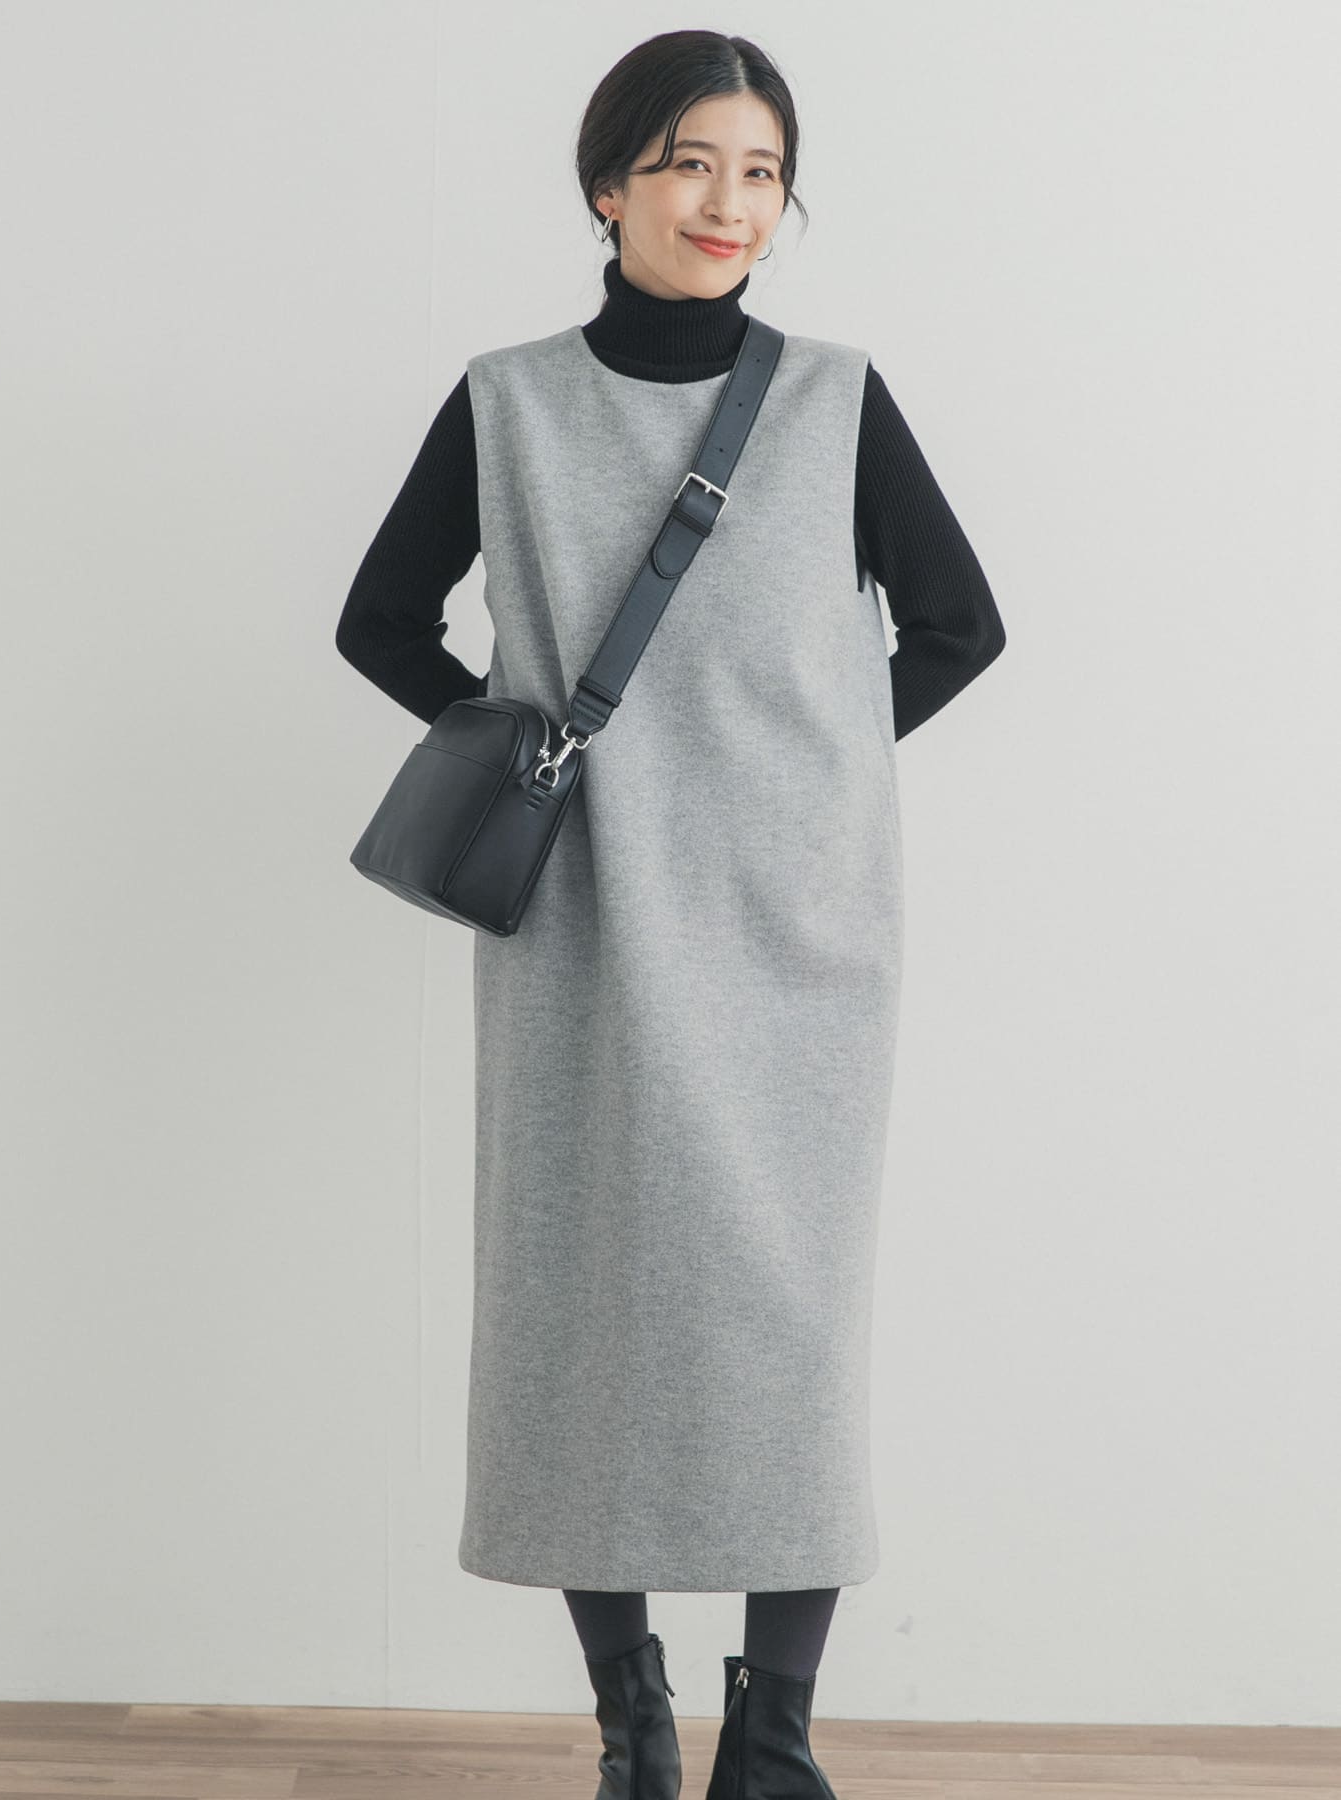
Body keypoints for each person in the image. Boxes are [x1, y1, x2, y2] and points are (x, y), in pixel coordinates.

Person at [337, 29, 1004, 1800]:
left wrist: (807, 774)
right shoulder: (508, 402)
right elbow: (379, 619)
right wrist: (526, 759)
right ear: (609, 184)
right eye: (691, 162)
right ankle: (632, 1724)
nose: (729, 203)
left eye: (762, 172)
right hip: (584, 925)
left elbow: (960, 626)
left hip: (802, 940)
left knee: (791, 1325)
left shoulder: (836, 398)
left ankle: (772, 1744)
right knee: (584, 1308)